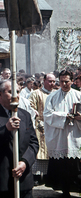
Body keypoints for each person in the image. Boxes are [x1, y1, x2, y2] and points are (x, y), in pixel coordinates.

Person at [0, 80, 39, 198]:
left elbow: (33, 143)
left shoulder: (25, 115)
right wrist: (5, 129)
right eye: (10, 92)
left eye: (17, 91)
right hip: (1, 178)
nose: (15, 95)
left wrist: (25, 162)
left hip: (23, 177)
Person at [43, 69, 81, 197]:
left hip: (75, 134)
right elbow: (47, 115)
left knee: (75, 165)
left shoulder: (78, 95)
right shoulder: (52, 96)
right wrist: (65, 116)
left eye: (67, 81)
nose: (64, 84)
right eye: (62, 82)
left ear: (72, 81)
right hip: (59, 136)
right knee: (62, 165)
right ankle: (64, 191)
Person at [28, 73, 56, 184]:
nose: (52, 83)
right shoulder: (36, 93)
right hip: (39, 127)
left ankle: (49, 176)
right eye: (50, 81)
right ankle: (36, 176)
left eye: (54, 81)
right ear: (44, 81)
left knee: (51, 151)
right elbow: (29, 107)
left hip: (53, 127)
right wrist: (35, 115)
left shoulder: (57, 94)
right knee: (39, 150)